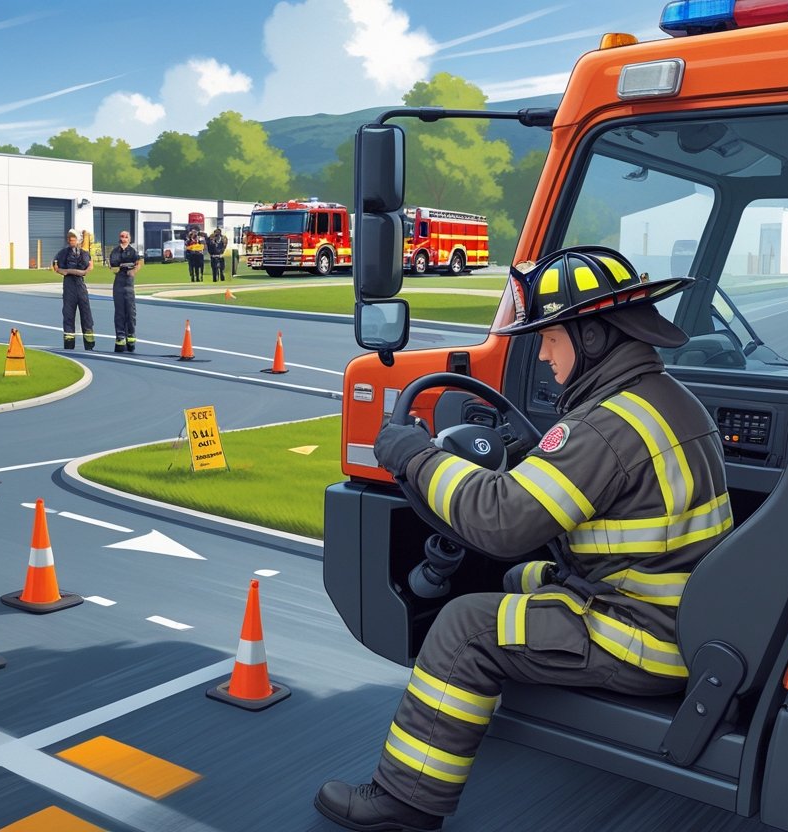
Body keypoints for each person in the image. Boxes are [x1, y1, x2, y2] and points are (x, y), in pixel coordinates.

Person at [314, 246, 733, 832]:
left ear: (589, 337)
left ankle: (404, 801)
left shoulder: (604, 425)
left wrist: (413, 455)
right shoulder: (665, 402)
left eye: (551, 336)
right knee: (515, 579)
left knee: (464, 628)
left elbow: (503, 520)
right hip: (673, 609)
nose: (541, 352)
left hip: (642, 634)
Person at [53, 229, 95, 350]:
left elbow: (87, 269)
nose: (72, 241)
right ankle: (69, 344)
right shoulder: (63, 253)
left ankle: (89, 344)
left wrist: (68, 271)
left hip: (80, 286)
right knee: (68, 314)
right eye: (70, 240)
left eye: (74, 239)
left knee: (86, 314)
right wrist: (76, 271)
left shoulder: (84, 254)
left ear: (78, 240)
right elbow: (57, 268)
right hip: (69, 286)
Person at [107, 229, 143, 352]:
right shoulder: (115, 252)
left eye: (126, 237)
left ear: (129, 239)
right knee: (119, 312)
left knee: (131, 312)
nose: (123, 239)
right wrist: (123, 266)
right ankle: (120, 338)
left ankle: (131, 337)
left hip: (129, 283)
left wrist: (133, 271)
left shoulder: (133, 251)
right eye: (121, 236)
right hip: (119, 283)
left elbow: (138, 262)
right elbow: (113, 266)